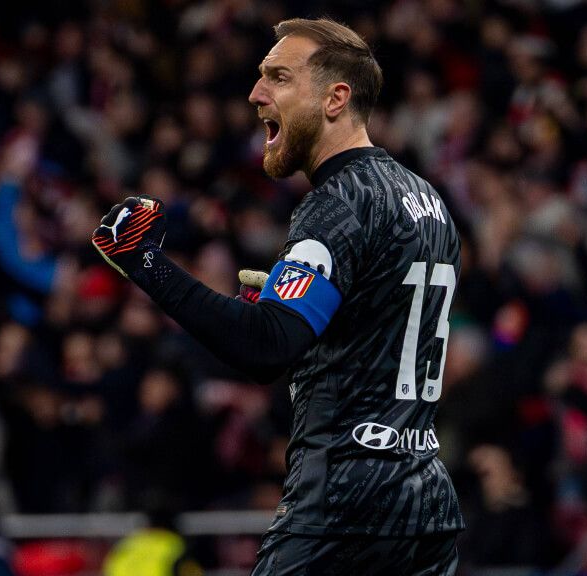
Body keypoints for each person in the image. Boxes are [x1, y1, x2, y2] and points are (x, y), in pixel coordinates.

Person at [91, 17, 463, 576]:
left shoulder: (336, 203)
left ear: (336, 98)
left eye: (279, 78)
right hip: (425, 501)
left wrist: (145, 262)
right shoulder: (426, 198)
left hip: (342, 500)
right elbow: (376, 318)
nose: (255, 93)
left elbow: (266, 346)